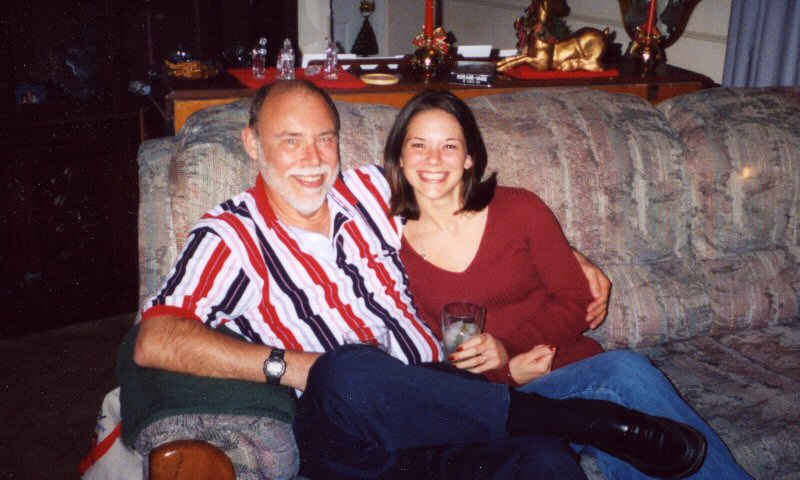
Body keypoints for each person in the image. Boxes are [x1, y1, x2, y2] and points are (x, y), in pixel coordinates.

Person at [130, 79, 706, 480]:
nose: (312, 158)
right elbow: (155, 339)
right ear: (253, 144)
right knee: (347, 369)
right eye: (290, 140)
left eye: (324, 138)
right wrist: (291, 366)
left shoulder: (367, 192)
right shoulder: (230, 234)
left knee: (545, 463)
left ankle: (549, 427)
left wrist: (572, 255)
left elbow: (456, 198)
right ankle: (578, 420)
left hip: (446, 404)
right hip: (349, 430)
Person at [387, 89, 753, 479]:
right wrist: (505, 374)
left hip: (574, 374)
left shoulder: (519, 209)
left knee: (626, 387)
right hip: (501, 406)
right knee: (625, 380)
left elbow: (577, 300)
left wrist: (508, 349)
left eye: (449, 146)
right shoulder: (386, 244)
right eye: (419, 145)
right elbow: (429, 360)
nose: (433, 159)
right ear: (400, 156)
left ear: (469, 157)